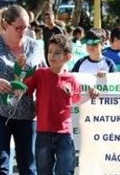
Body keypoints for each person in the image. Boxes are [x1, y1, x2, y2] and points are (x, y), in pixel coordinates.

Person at [0, 4, 44, 174]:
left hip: (27, 114)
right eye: (18, 27)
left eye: (27, 27)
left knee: (28, 167)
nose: (24, 31)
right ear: (6, 25)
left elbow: (45, 74)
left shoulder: (35, 47)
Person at [24, 34, 81, 174]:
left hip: (65, 134)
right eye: (49, 51)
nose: (52, 56)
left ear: (67, 57)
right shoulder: (40, 74)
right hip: (43, 133)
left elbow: (77, 100)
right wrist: (20, 70)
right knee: (43, 171)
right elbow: (25, 89)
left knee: (65, 171)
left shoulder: (72, 79)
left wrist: (72, 94)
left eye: (57, 53)